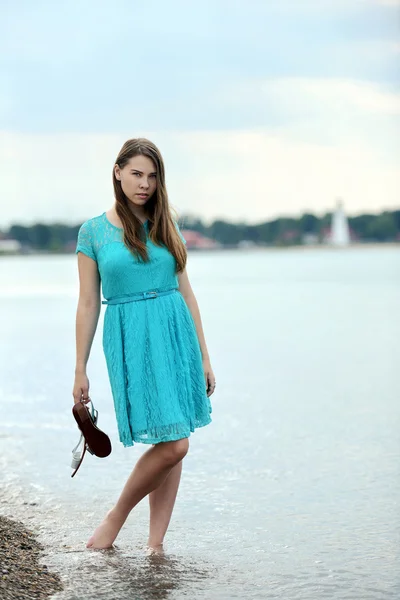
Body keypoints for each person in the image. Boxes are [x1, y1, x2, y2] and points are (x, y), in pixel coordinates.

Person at [72, 138, 215, 553]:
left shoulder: (166, 222)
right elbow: (86, 304)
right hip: (130, 336)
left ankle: (156, 548)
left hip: (174, 333)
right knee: (174, 444)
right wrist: (80, 367)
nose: (145, 184)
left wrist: (204, 356)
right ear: (117, 172)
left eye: (152, 176)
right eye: (136, 173)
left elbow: (187, 293)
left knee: (173, 440)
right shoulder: (93, 232)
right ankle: (117, 516)